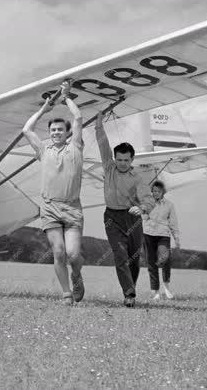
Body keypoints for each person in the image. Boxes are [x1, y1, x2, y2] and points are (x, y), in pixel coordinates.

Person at [23, 80, 86, 306]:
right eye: (53, 130)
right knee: (58, 252)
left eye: (60, 130)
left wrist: (67, 96)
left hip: (72, 208)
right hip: (49, 207)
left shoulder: (75, 147)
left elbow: (78, 118)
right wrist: (44, 109)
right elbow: (26, 130)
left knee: (73, 255)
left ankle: (77, 275)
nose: (56, 132)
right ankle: (66, 294)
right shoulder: (43, 149)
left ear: (68, 133)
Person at [95, 111, 155, 307]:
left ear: (131, 160)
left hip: (132, 217)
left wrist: (143, 208)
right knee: (120, 254)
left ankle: (131, 288)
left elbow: (148, 199)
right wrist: (98, 123)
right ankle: (129, 294)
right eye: (119, 159)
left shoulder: (137, 177)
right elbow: (103, 144)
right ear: (114, 159)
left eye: (126, 160)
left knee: (133, 258)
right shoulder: (109, 168)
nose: (122, 163)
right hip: (112, 217)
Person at [143, 180, 180, 300]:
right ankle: (155, 291)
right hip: (148, 234)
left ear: (163, 192)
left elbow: (173, 223)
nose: (155, 193)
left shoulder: (169, 205)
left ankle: (166, 286)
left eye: (158, 191)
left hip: (163, 235)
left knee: (165, 259)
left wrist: (177, 238)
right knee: (151, 262)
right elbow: (143, 217)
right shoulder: (147, 203)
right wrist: (144, 209)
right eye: (153, 191)